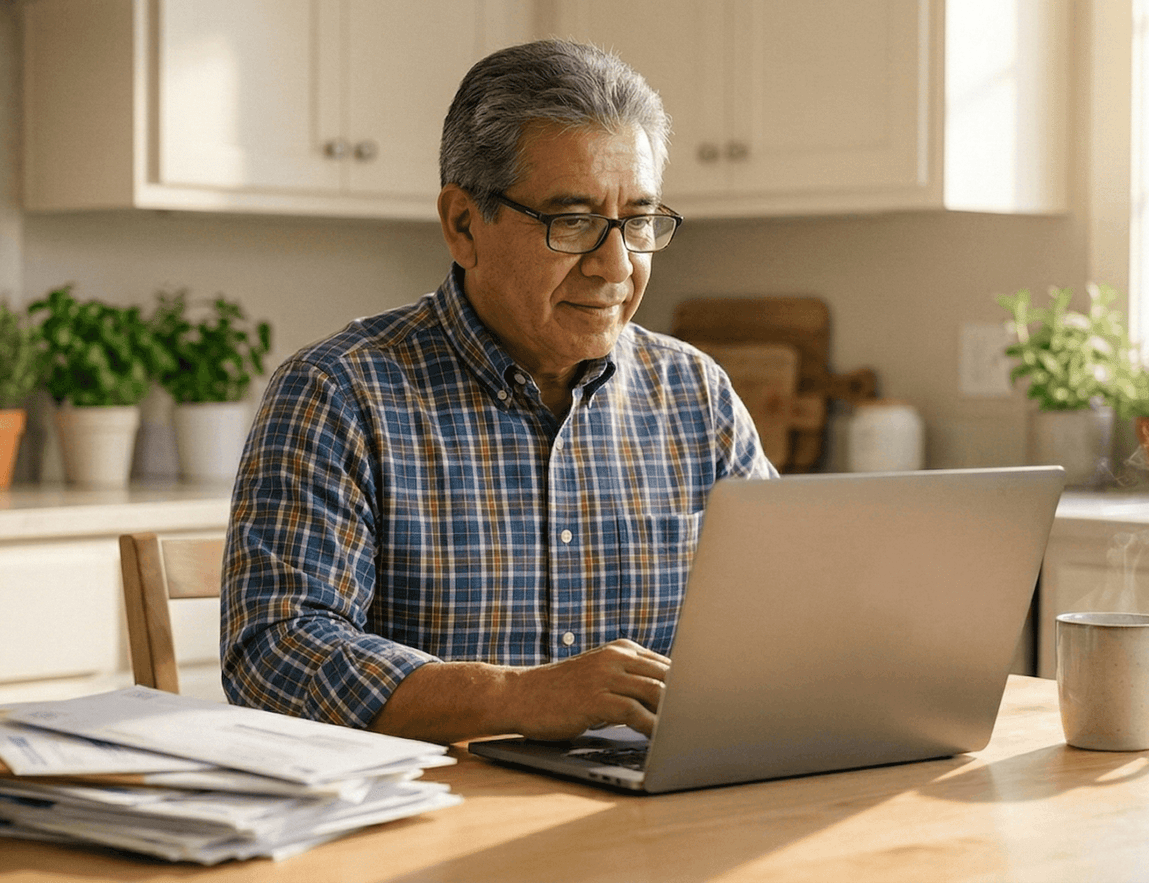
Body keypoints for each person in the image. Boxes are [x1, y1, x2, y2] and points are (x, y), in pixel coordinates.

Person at [222, 39, 778, 745]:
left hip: (653, 816)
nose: (615, 266)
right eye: (572, 221)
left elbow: (784, 615)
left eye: (637, 221)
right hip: (427, 830)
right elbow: (273, 651)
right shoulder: (339, 393)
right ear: (462, 224)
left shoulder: (698, 395)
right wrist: (513, 697)